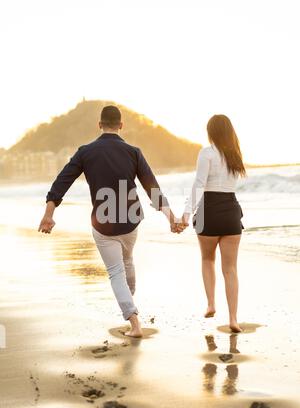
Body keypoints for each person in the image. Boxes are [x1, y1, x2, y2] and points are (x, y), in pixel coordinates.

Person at [38, 105, 180, 338]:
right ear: (121, 125)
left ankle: (134, 322)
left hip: (103, 222)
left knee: (116, 272)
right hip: (130, 219)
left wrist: (49, 213)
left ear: (99, 125)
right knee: (127, 260)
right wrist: (170, 217)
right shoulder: (134, 151)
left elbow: (62, 181)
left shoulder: (85, 152)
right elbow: (152, 187)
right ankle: (130, 305)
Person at [180, 114, 246, 333]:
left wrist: (187, 214)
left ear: (211, 132)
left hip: (209, 212)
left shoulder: (207, 153)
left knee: (207, 259)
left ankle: (211, 304)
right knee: (231, 269)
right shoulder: (235, 155)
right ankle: (233, 319)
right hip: (230, 213)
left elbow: (199, 183)